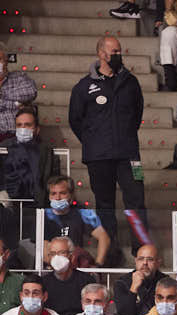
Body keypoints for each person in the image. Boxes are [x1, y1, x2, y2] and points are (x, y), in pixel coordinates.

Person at [68, 36, 147, 257]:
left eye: (120, 51)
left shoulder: (131, 82)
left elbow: (137, 114)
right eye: (114, 51)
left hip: (131, 155)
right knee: (104, 202)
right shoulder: (84, 87)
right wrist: (93, 141)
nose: (118, 55)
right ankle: (111, 249)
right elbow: (75, 120)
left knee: (137, 198)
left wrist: (126, 136)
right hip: (98, 156)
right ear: (101, 54)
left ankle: (141, 247)